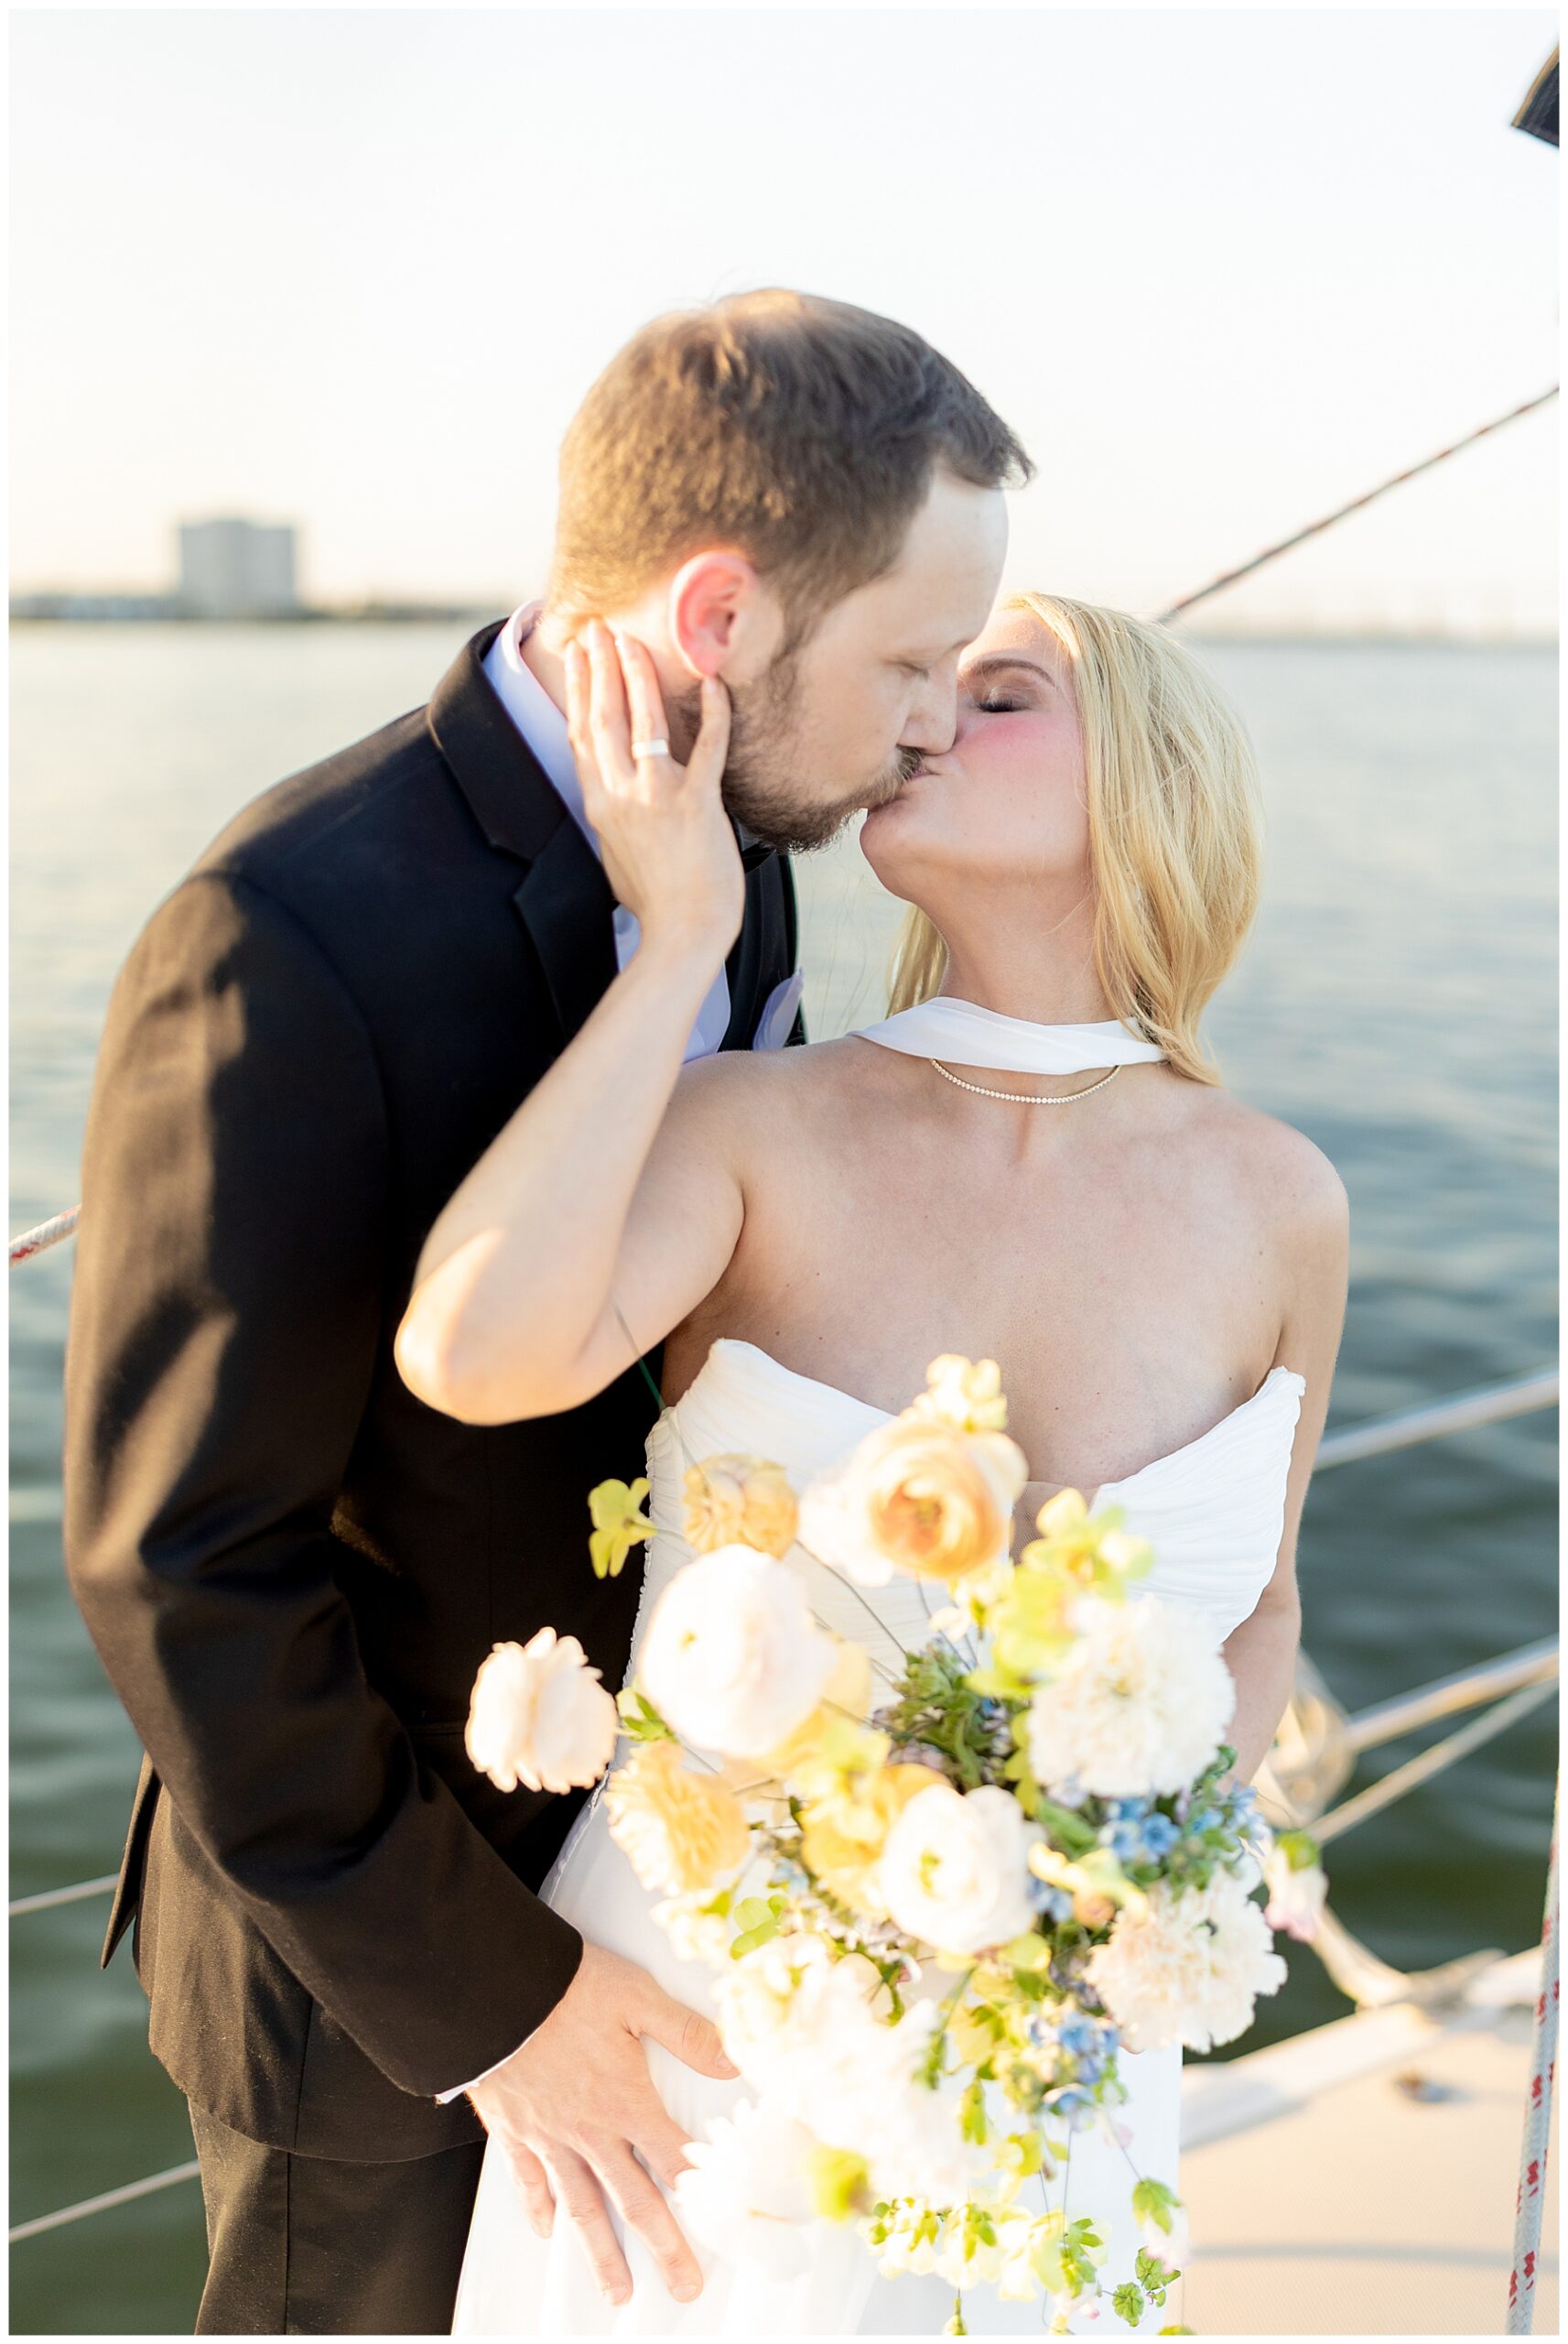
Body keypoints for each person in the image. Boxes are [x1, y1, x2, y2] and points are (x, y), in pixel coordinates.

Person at [60, 288, 1027, 2336]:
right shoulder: (280, 932)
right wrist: (493, 2003)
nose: (935, 721)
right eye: (908, 661)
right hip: (391, 1990)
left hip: (680, 1877)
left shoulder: (741, 842)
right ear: (718, 615)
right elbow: (184, 1564)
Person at [396, 591, 1350, 2334]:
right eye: (924, 683)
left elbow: (1261, 1607)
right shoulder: (751, 1125)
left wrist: (1131, 1891)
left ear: (1145, 782)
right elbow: (474, 1355)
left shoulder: (1282, 1202)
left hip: (1054, 2059)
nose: (921, 721)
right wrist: (679, 941)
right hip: (697, 2040)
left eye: (999, 693)